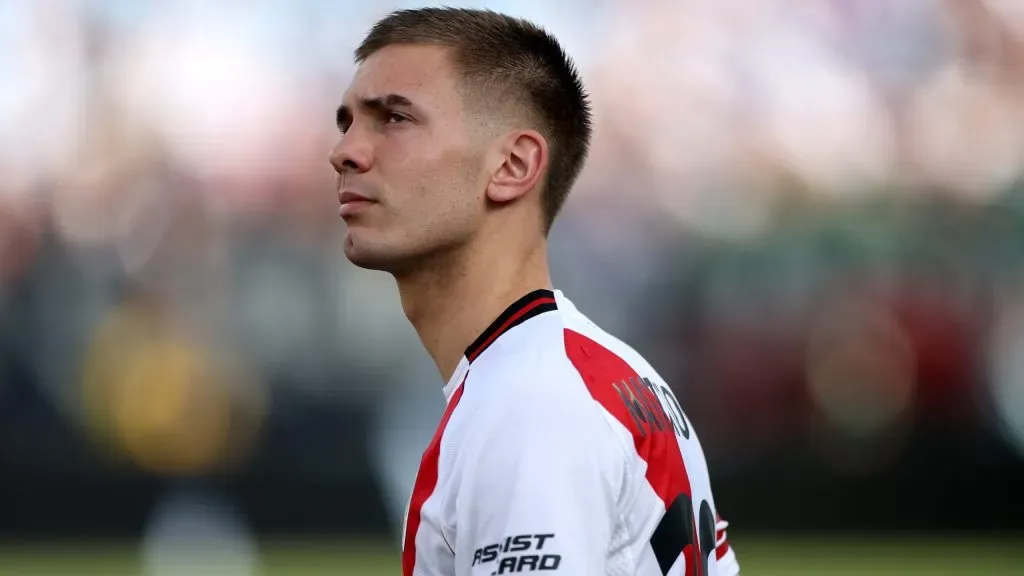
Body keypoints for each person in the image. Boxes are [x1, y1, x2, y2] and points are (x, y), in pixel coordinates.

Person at [329, 7, 739, 576]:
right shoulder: (587, 370)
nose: (345, 151)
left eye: (394, 118)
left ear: (513, 166)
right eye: (346, 122)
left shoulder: (529, 402)